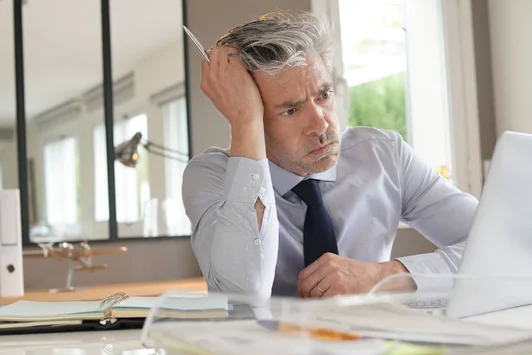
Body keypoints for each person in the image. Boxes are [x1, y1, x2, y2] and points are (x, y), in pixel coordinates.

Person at [182, 11, 478, 299]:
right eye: (291, 109)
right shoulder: (211, 177)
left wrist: (382, 277)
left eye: (323, 95)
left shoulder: (385, 156)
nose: (321, 123)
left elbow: (507, 248)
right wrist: (244, 122)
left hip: (372, 345)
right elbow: (242, 292)